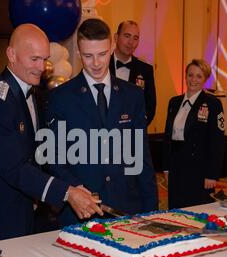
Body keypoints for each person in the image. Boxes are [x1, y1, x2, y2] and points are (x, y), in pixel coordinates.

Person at [0, 24, 102, 243]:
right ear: (11, 54)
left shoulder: (31, 93)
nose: (42, 67)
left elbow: (40, 153)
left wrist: (72, 185)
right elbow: (13, 168)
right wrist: (67, 192)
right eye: (34, 59)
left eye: (45, 59)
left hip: (24, 206)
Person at [47, 18, 158, 227]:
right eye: (88, 56)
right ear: (79, 54)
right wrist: (75, 191)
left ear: (112, 48)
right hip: (81, 211)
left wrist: (151, 211)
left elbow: (142, 156)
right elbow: (54, 157)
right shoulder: (61, 97)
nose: (96, 63)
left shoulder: (132, 96)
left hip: (126, 207)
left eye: (102, 54)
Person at [162, 59, 225, 209]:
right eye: (190, 75)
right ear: (185, 76)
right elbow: (167, 137)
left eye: (199, 76)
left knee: (198, 210)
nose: (193, 80)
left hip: (199, 168)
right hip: (176, 164)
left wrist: (212, 174)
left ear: (205, 79)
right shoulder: (174, 102)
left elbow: (217, 141)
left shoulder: (212, 104)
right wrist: (166, 167)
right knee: (177, 209)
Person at [109, 20, 156, 126]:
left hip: (134, 135)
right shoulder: (102, 65)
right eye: (127, 36)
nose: (131, 42)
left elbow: (150, 107)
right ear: (116, 37)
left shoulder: (145, 70)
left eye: (135, 38)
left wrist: (135, 129)